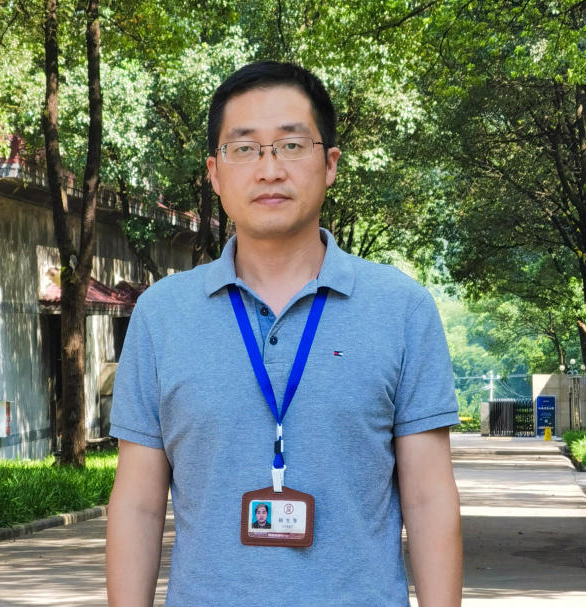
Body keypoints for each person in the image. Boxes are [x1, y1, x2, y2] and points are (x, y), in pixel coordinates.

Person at [105, 61, 462, 606]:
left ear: (330, 164)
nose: (269, 169)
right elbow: (138, 505)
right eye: (244, 148)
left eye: (292, 146)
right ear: (215, 173)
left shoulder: (401, 309)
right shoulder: (161, 315)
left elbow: (429, 499)